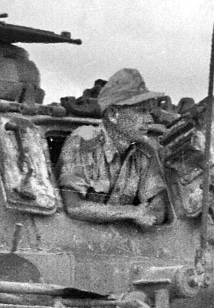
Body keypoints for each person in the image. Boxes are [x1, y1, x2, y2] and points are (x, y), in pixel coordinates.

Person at [58, 68, 170, 229]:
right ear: (113, 114)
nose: (149, 120)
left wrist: (149, 214)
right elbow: (73, 206)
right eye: (141, 111)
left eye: (149, 112)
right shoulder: (84, 140)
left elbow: (158, 208)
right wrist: (131, 212)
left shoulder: (145, 153)